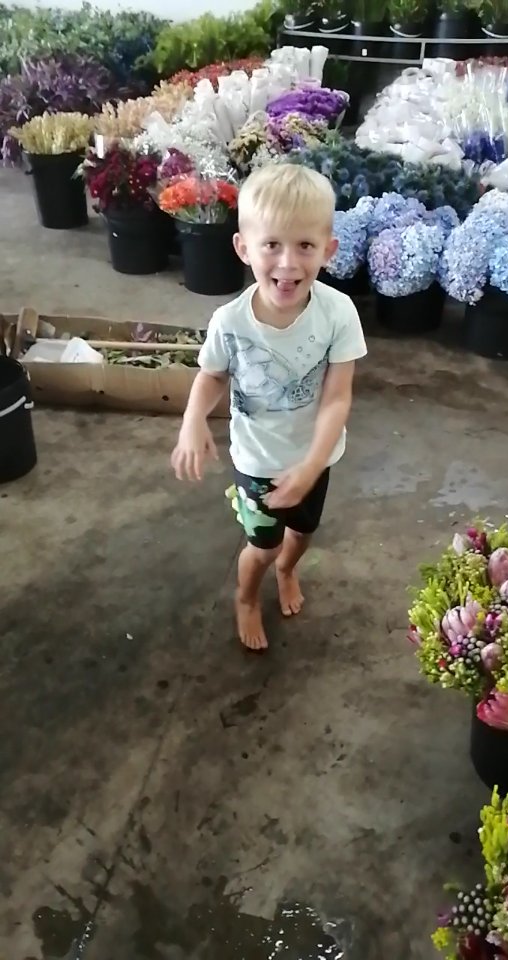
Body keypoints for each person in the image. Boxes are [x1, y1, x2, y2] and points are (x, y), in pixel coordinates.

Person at [170, 163, 367, 651]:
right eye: (272, 245)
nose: (288, 263)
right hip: (257, 460)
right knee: (262, 546)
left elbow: (337, 396)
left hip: (315, 458)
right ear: (243, 248)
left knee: (302, 533)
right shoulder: (230, 321)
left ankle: (288, 570)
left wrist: (312, 465)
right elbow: (212, 375)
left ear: (329, 251)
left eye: (305, 246)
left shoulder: (338, 313)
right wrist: (193, 419)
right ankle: (246, 597)